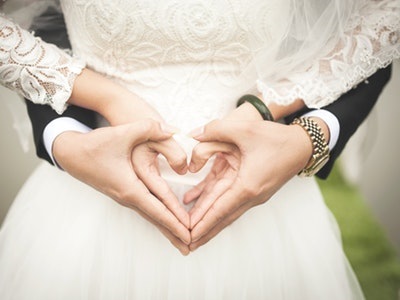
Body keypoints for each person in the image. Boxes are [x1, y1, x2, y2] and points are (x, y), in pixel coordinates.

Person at [0, 0, 399, 299]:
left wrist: (280, 119)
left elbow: (383, 16)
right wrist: (103, 102)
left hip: (263, 211)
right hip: (87, 209)